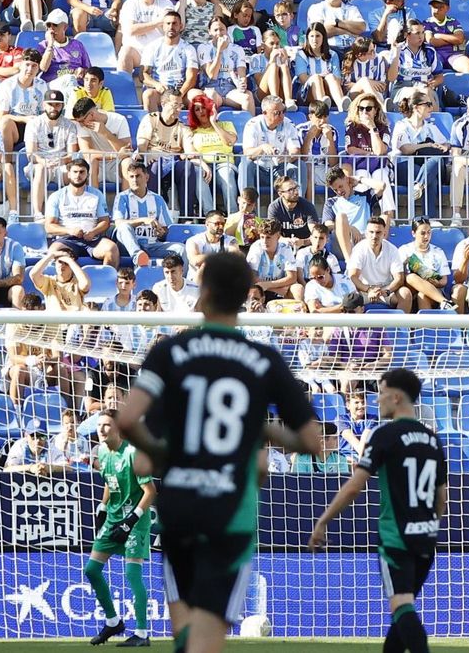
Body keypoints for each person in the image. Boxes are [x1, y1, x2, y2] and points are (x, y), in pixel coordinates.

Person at [115, 253, 322, 653]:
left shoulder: (169, 352)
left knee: (185, 635)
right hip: (231, 509)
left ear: (202, 292)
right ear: (246, 296)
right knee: (206, 640)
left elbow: (127, 421)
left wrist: (164, 452)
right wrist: (257, 428)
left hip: (180, 504)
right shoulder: (264, 360)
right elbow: (312, 442)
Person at [309, 368, 445, 653]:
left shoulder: (385, 436)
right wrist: (427, 526)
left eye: (381, 393)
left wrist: (323, 521)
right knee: (402, 611)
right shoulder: (433, 440)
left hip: (396, 537)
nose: (376, 400)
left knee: (401, 606)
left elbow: (354, 487)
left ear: (396, 397)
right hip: (426, 538)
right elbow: (440, 496)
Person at [83, 411, 156, 647]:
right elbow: (109, 481)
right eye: (99, 425)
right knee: (92, 570)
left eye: (107, 425)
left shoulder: (135, 453)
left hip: (135, 520)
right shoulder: (102, 452)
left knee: (132, 574)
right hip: (114, 518)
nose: (101, 429)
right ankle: (113, 622)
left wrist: (131, 521)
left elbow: (150, 492)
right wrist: (102, 506)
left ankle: (142, 634)